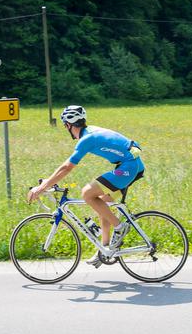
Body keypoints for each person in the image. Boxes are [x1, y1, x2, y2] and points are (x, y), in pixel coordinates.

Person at [27, 105, 145, 265]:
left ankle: (120, 227)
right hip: (133, 165)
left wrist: (42, 187)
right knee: (102, 204)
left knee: (87, 193)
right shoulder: (90, 132)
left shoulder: (87, 139)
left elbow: (67, 167)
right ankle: (105, 249)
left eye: (65, 126)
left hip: (128, 166)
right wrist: (48, 182)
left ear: (69, 125)